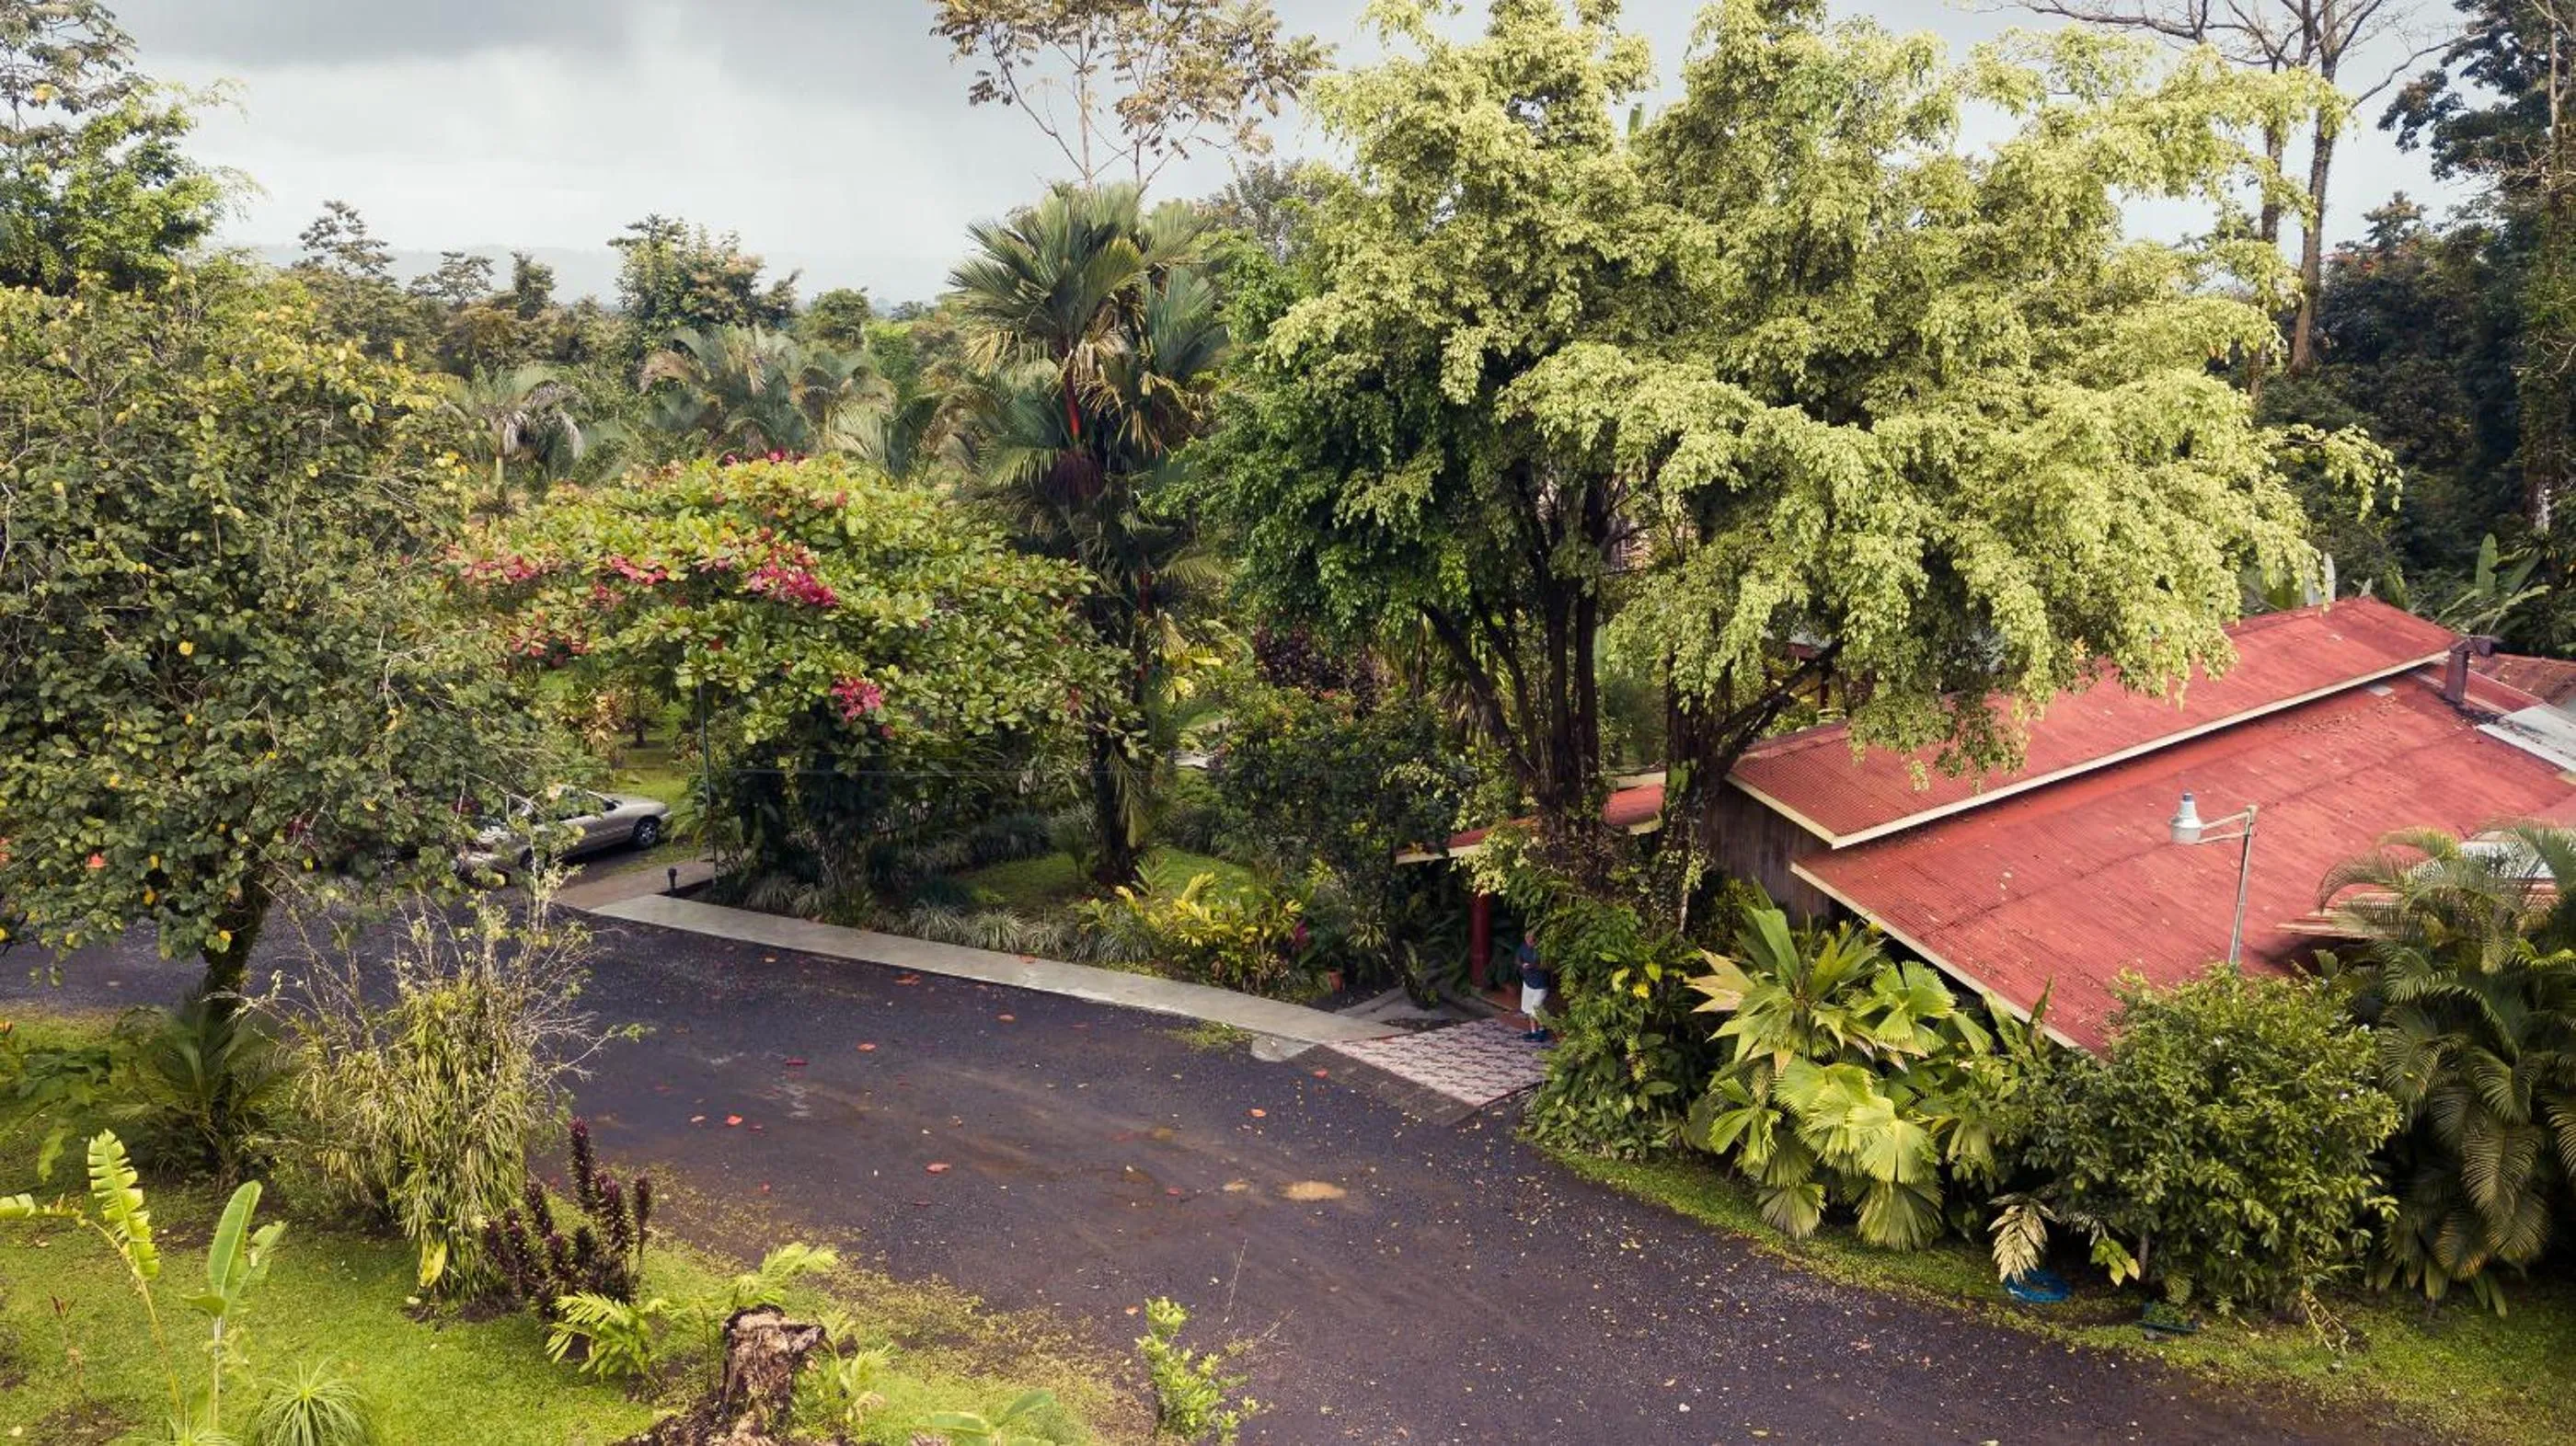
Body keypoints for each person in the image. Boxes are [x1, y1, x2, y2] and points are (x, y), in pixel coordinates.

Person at [1514, 930, 1552, 1043]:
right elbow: (1517, 959)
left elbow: (1548, 966)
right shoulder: (1523, 947)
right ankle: (1533, 1031)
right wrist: (1522, 965)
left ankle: (1542, 1030)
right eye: (1528, 940)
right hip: (1528, 982)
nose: (1530, 943)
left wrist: (1533, 966)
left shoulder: (1542, 950)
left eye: (1532, 941)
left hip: (1541, 984)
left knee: (1537, 1008)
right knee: (1528, 1009)